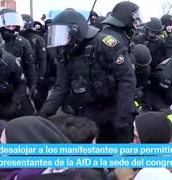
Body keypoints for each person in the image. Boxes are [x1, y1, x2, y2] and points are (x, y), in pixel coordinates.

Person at [40, 2, 139, 144]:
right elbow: (61, 87)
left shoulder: (105, 44)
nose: (61, 42)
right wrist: (43, 115)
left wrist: (124, 116)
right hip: (89, 109)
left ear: (76, 32)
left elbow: (127, 79)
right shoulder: (64, 53)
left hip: (115, 107)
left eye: (64, 35)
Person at [0, 9, 37, 111]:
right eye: (7, 26)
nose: (10, 29)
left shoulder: (23, 42)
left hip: (19, 83)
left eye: (13, 26)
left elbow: (30, 65)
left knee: (28, 113)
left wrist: (33, 84)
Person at [20, 14, 48, 111]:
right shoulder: (16, 39)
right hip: (20, 71)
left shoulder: (37, 39)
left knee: (37, 96)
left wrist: (40, 75)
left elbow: (43, 59)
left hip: (34, 72)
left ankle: (41, 113)